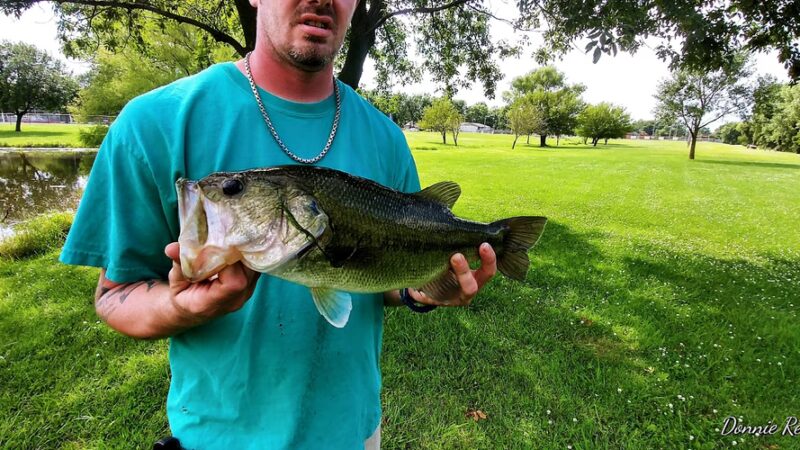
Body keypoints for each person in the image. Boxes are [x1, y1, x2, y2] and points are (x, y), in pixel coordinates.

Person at [60, 0, 497, 448]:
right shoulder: (153, 123)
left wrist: (418, 289)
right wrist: (184, 307)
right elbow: (116, 296)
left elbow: (372, 275)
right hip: (216, 439)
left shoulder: (386, 138)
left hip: (355, 434)